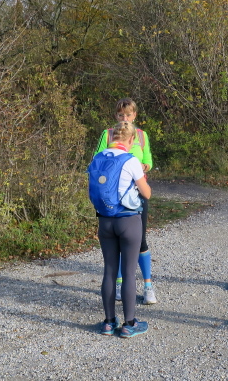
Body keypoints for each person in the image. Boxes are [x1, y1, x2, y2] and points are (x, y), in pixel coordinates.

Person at [90, 121, 152, 338]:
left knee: (109, 270)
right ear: (131, 139)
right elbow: (146, 193)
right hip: (128, 221)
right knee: (128, 273)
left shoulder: (98, 158)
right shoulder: (131, 160)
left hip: (105, 220)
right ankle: (129, 324)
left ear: (112, 137)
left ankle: (108, 323)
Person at [94, 98, 156, 305]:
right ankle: (120, 284)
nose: (125, 118)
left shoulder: (142, 135)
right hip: (112, 194)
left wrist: (143, 167)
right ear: (116, 116)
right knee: (117, 242)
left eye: (128, 115)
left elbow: (148, 159)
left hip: (136, 194)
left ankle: (148, 286)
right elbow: (97, 160)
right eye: (121, 115)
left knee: (140, 241)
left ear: (134, 115)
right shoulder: (108, 134)